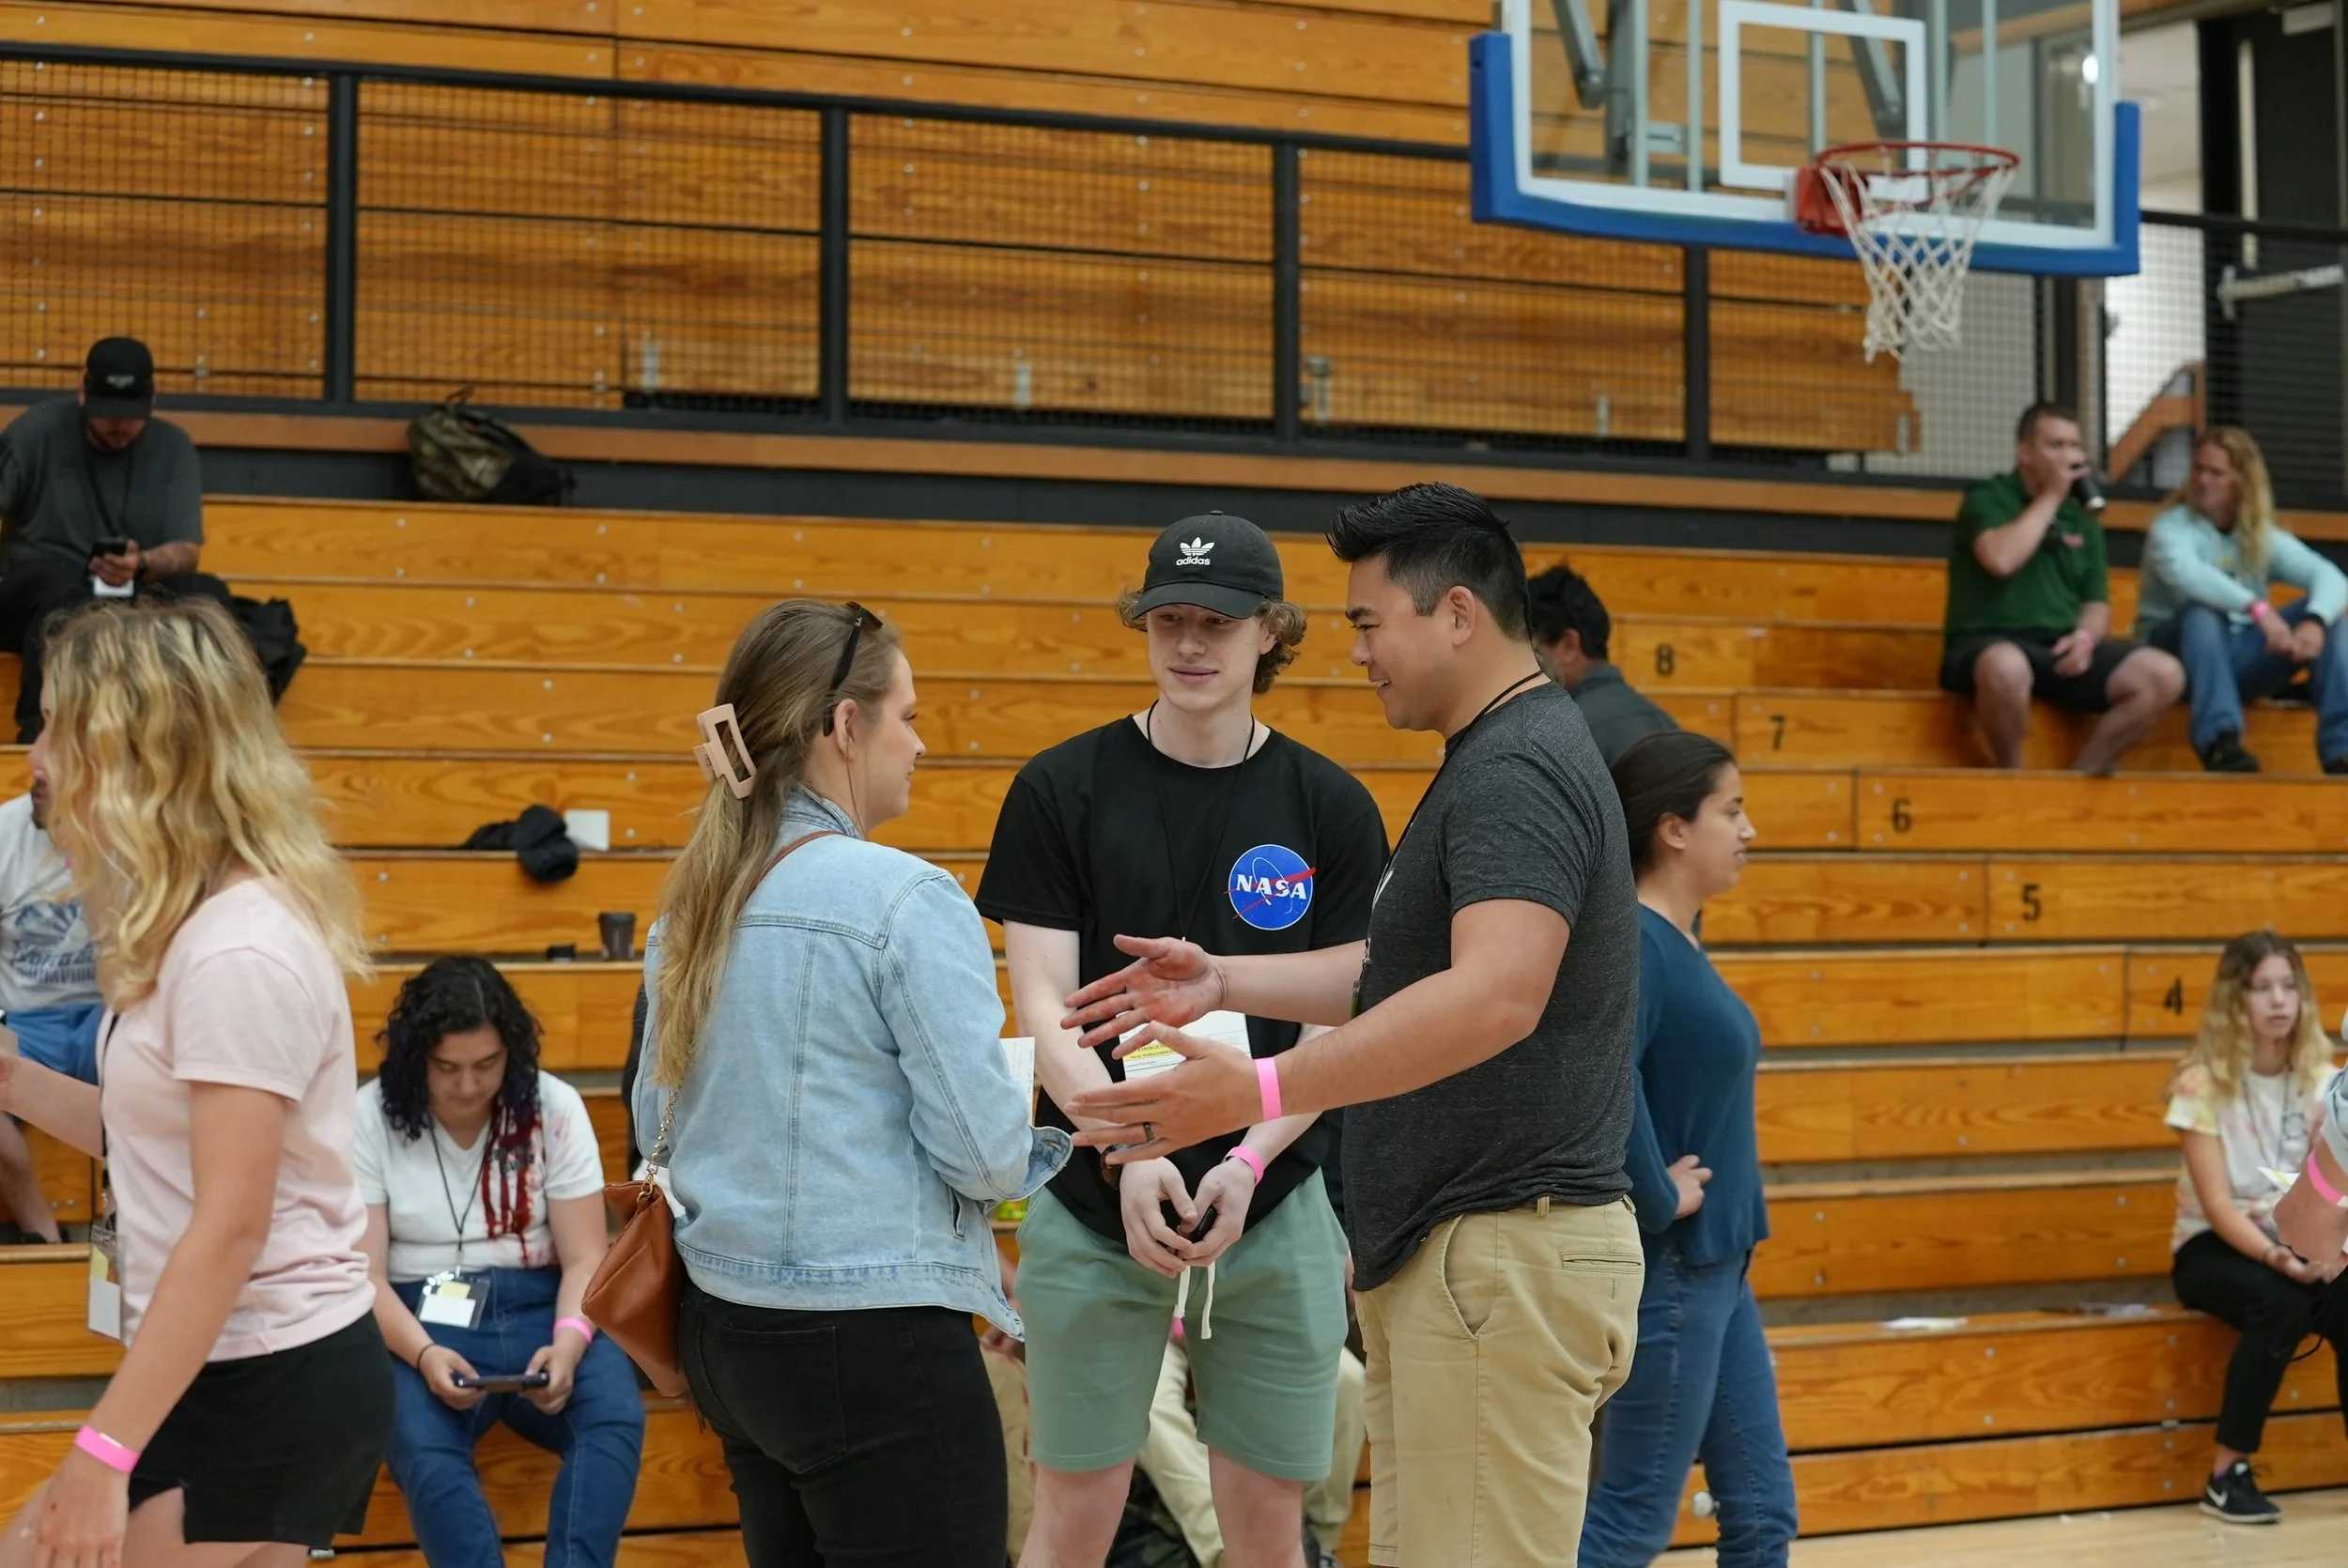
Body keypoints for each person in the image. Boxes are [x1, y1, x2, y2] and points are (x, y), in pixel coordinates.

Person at [1060, 482, 1646, 1568]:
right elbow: (1402, 972)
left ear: (1457, 614)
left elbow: (1491, 996)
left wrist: (1263, 1089)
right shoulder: (1496, 756)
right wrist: (1227, 980)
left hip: (1501, 1248)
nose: (1358, 651)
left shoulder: (1516, 768)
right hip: (1474, 1255)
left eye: (1371, 621)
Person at [977, 512, 1384, 1568]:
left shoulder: (1330, 805)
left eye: (1218, 620)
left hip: (1275, 1197)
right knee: (1069, 1524)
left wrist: (1248, 1158)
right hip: (1094, 1199)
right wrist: (1134, 1151)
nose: (1191, 642)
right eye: (1169, 620)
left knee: (1267, 1535)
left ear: (1270, 633)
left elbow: (1343, 1029)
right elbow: (1044, 1013)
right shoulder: (1058, 789)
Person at [633, 599, 1068, 1568]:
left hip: (727, 1329)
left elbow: (653, 1118)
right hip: (868, 1339)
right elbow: (984, 1150)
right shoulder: (906, 898)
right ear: (843, 725)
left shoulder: (692, 907)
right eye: (906, 714)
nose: (918, 742)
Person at [0, 597, 391, 1567]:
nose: (33, 750)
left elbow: (230, 1223)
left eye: (51, 723)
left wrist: (101, 1451)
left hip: (265, 1372)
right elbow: (155, 1134)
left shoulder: (235, 951)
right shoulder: (198, 927)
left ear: (128, 748)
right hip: (241, 1366)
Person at [1579, 731, 1795, 1568]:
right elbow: (1606, 1071)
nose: (1749, 831)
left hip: (1720, 1269)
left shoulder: (1676, 941)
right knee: (1632, 1521)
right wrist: (1659, 1194)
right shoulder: (1636, 941)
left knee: (1763, 1515)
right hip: (1672, 1269)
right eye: (1732, 811)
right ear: (1673, 828)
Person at [356, 957, 645, 1568]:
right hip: (416, 1316)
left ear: (511, 1053)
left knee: (614, 1415)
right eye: (448, 1068)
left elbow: (586, 1256)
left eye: (487, 1065)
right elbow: (365, 1275)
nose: (468, 1085)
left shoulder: (552, 1106)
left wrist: (569, 1344)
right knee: (420, 1443)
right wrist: (425, 1355)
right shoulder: (369, 1115)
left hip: (544, 1302)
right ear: (417, 1060)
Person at [2163, 930, 2348, 1525]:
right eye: (2262, 987)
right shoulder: (2200, 1084)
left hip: (2298, 1231)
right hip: (2212, 1245)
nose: (2278, 1000)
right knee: (2284, 1305)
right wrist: (2280, 1259)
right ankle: (2227, 1473)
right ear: (2233, 1001)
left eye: (2288, 986)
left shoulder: (2323, 1077)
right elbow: (2216, 1205)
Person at [0, 337, 235, 742]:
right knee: (62, 592)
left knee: (207, 595)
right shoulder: (35, 424)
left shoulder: (174, 446)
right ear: (82, 393)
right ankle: (39, 737)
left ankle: (211, 741)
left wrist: (140, 564)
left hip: (128, 591)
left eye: (130, 414)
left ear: (153, 397)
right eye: (107, 413)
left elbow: (186, 552)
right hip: (38, 590)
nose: (119, 426)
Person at [1939, 403, 2184, 772]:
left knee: (2163, 674)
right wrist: (2051, 497)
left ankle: (2082, 773)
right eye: (2055, 445)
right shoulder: (1988, 497)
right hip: (1989, 640)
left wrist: (2085, 640)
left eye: (2073, 446)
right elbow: (2001, 559)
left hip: (2059, 647)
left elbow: (2096, 604)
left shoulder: (2081, 519)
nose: (2068, 456)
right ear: (2025, 452)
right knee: (2006, 667)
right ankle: (2012, 773)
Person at [2138, 427, 2348, 775]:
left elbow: (2332, 578)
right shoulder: (2170, 527)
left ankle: (2341, 752)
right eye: (2198, 469)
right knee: (2203, 613)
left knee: (2333, 617)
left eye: (2215, 473)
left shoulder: (2260, 534)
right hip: (2172, 658)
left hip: (2237, 659)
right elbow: (2189, 574)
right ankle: (2219, 743)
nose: (2203, 480)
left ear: (2241, 482)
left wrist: (2315, 621)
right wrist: (2257, 608)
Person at [1139, 1330, 1367, 1568]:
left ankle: (1320, 1548)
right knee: (1148, 1403)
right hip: (1153, 1321)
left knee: (1346, 1378)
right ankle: (1225, 1550)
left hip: (1251, 1312)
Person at [0, 775, 103, 1244]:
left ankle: (124, 1229)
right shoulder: (5, 830)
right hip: (21, 1019)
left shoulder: (136, 831)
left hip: (107, 1011)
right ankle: (43, 1234)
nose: (34, 769)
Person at [1526, 562, 1677, 763]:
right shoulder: (1666, 723)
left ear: (1569, 646)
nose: (1521, 664)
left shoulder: (1565, 731)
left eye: (1530, 649)